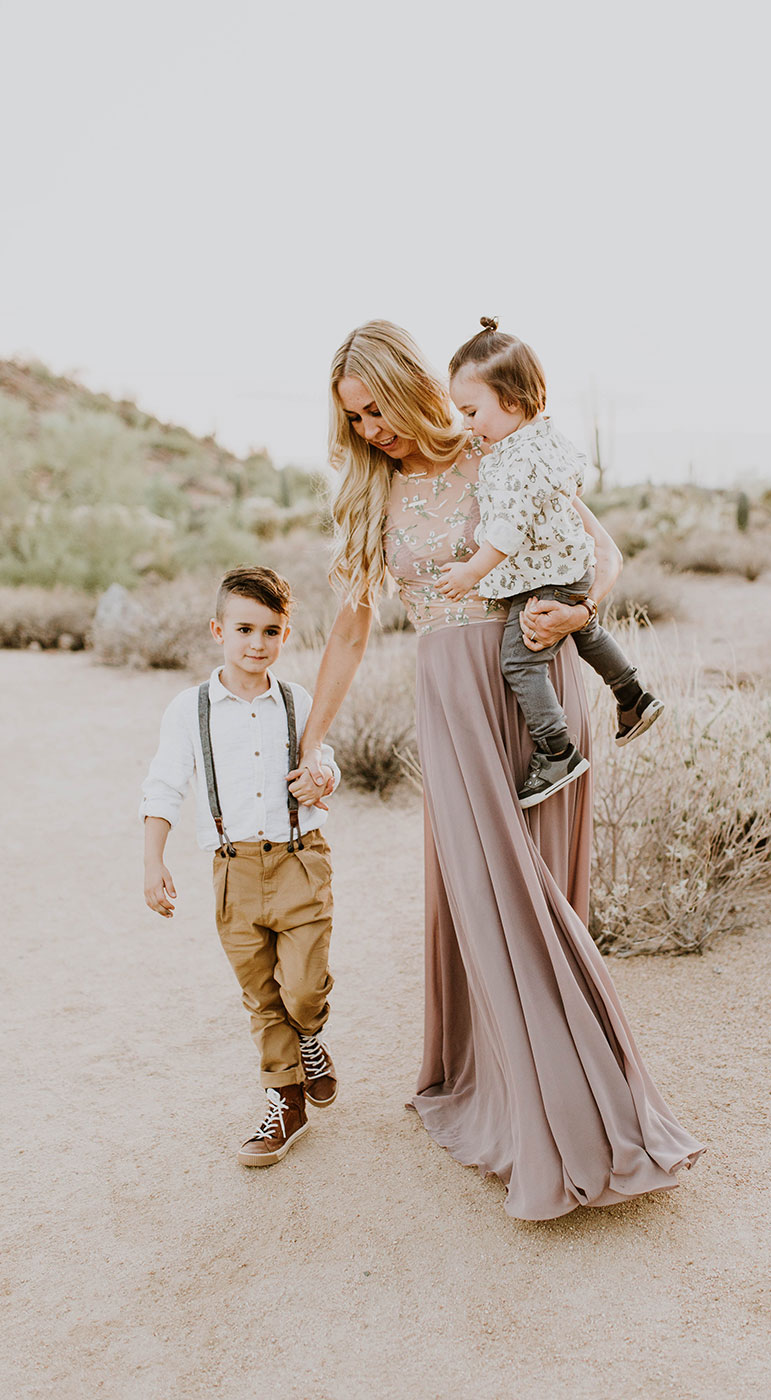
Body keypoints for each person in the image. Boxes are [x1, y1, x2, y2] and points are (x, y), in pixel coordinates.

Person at [292, 321, 703, 1220]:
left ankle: (570, 1111)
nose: (371, 431)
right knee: (488, 894)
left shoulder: (499, 450)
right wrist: (310, 740)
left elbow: (602, 553)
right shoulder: (369, 496)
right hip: (452, 700)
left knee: (541, 892)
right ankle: (518, 1101)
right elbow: (353, 628)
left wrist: (576, 610)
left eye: (378, 409)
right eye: (354, 420)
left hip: (535, 682)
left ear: (413, 388)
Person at [141, 566, 341, 1168]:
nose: (257, 643)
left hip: (300, 861)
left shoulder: (297, 700)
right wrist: (154, 861)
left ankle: (311, 1037)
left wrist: (319, 777)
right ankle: (285, 1103)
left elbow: (324, 760)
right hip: (233, 870)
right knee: (261, 995)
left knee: (302, 989)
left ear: (286, 635)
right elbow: (164, 783)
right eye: (245, 629)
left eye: (271, 631)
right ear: (218, 630)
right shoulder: (190, 709)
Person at [439, 317, 664, 808]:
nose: (467, 424)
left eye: (472, 412)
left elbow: (508, 528)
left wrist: (471, 572)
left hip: (548, 575)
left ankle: (556, 749)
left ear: (513, 404)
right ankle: (633, 696)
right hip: (567, 568)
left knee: (519, 661)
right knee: (585, 633)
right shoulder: (538, 440)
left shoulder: (519, 459)